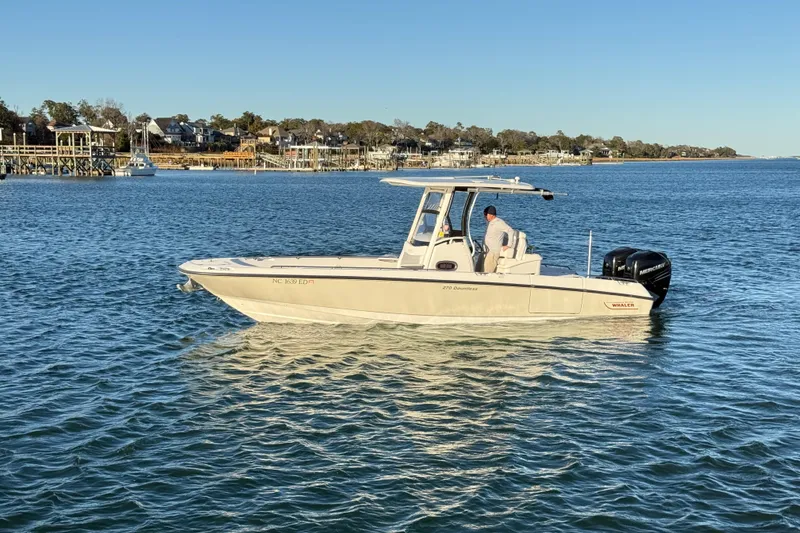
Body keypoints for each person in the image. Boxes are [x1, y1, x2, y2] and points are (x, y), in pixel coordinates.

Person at [482, 205, 513, 273]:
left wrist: (509, 245)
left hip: (493, 252)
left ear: (491, 214)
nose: (485, 216)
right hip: (487, 251)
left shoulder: (499, 223)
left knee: (487, 273)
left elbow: (510, 231)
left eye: (486, 214)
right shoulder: (491, 223)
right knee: (480, 270)